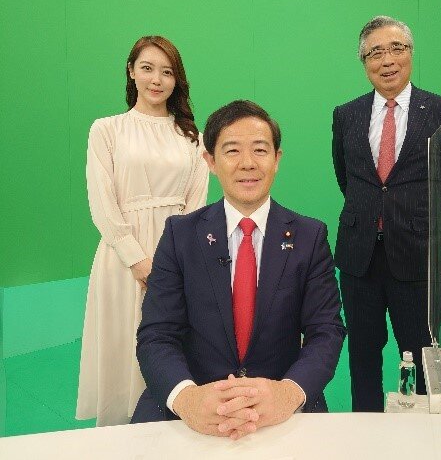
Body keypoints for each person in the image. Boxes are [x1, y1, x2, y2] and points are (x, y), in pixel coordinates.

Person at [131, 100, 345, 439]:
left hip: (279, 403)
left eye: (260, 150)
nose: (248, 163)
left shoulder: (310, 236)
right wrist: (187, 399)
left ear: (277, 159)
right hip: (194, 399)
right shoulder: (180, 234)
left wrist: (287, 393)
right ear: (210, 162)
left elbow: (326, 331)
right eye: (232, 151)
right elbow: (157, 334)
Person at [76, 36, 209, 426]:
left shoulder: (192, 137)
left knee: (172, 350)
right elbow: (102, 200)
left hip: (176, 258)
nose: (156, 80)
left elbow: (195, 206)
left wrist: (174, 264)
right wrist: (136, 259)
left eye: (167, 72)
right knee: (125, 348)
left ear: (177, 80)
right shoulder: (107, 130)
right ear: (131, 71)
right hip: (122, 259)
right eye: (147, 68)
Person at [331, 15, 441, 411]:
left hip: (418, 256)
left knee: (421, 356)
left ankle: (420, 435)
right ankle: (365, 429)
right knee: (362, 356)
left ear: (410, 54)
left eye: (396, 49)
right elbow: (347, 178)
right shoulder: (346, 114)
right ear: (364, 62)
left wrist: (411, 219)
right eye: (375, 53)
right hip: (360, 257)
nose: (387, 60)